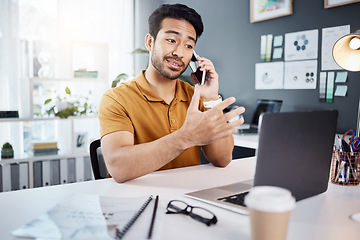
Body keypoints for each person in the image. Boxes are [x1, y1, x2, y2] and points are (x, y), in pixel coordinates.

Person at [98, 3, 245, 183]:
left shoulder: (196, 97)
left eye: (189, 45)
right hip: (135, 202)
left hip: (186, 199)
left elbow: (222, 159)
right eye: (171, 40)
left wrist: (210, 98)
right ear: (150, 42)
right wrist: (186, 137)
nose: (179, 53)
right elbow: (118, 167)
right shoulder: (116, 99)